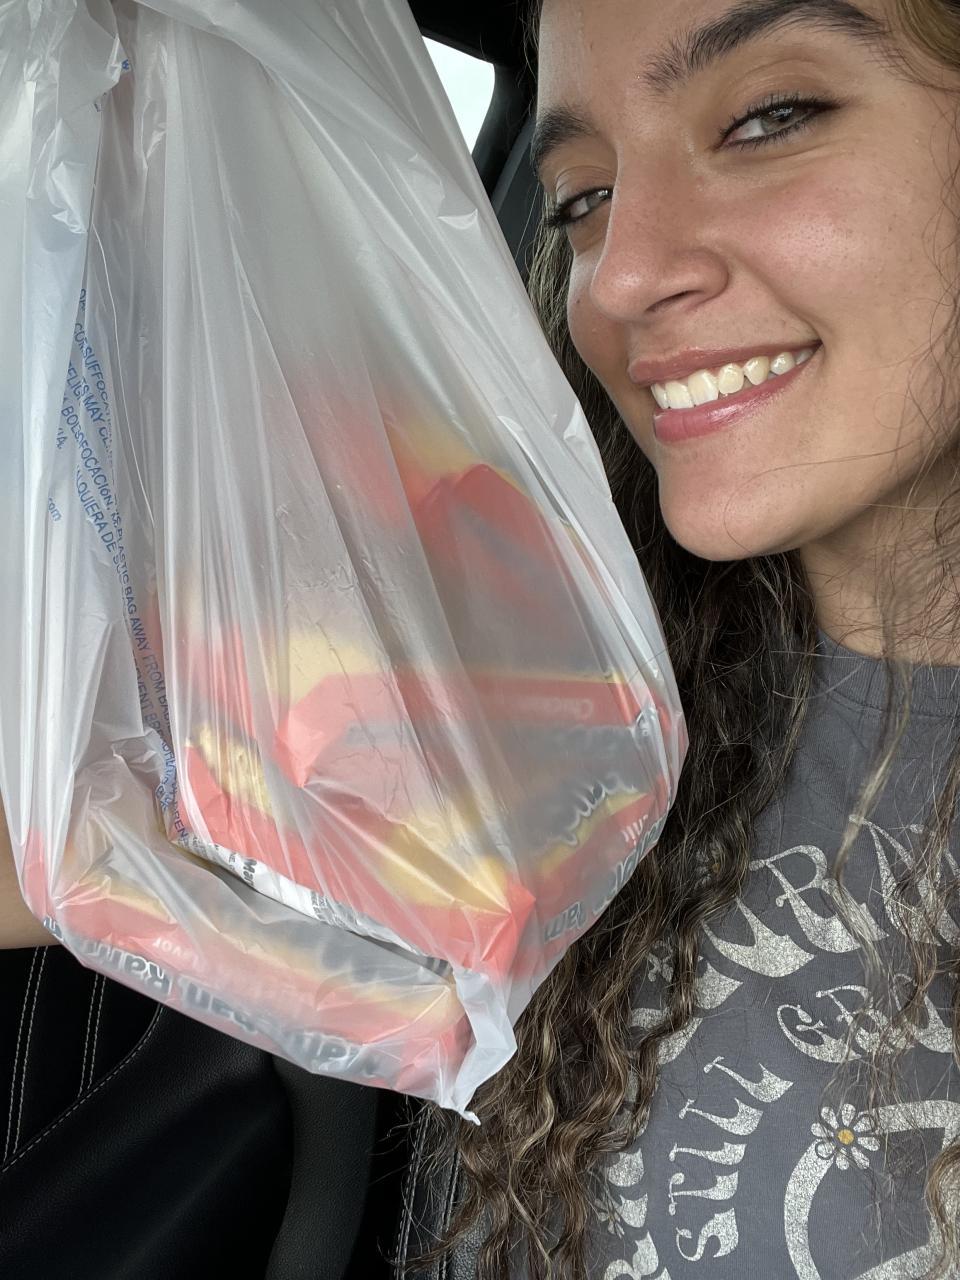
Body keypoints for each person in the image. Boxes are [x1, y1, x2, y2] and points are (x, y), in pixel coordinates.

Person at [392, 1, 960, 1278]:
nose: (622, 275)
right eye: (584, 197)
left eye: (768, 119)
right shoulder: (549, 685)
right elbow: (80, 842)